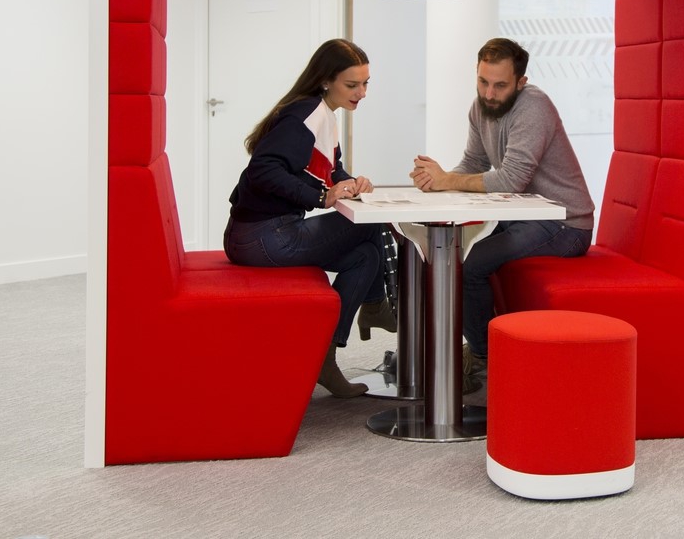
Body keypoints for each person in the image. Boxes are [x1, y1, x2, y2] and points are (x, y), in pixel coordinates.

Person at [409, 38, 594, 385]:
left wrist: (448, 179)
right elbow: (473, 163)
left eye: (500, 85)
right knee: (447, 251)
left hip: (564, 223)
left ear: (521, 82)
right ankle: (447, 350)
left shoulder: (534, 107)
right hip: (522, 214)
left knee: (469, 263)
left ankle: (483, 356)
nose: (489, 94)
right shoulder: (480, 108)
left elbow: (511, 179)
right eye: (482, 82)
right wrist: (437, 182)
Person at [223, 38, 396, 398]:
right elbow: (263, 170)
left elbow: (329, 171)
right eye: (352, 84)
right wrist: (321, 197)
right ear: (325, 80)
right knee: (371, 224)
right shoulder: (305, 115)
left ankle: (326, 358)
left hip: (264, 235)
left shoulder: (322, 114)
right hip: (262, 237)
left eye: (366, 83)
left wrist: (351, 183)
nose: (362, 93)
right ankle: (376, 305)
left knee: (366, 255)